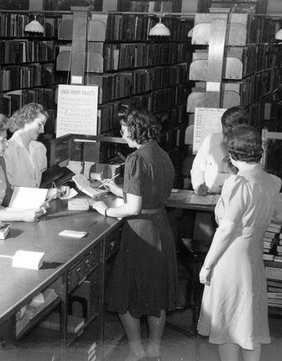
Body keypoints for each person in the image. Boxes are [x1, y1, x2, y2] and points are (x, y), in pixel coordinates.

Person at [197, 125, 282, 361]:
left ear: (232, 155)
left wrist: (207, 265)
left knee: (226, 324)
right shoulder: (269, 181)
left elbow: (226, 229)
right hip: (253, 258)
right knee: (248, 325)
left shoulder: (236, 183)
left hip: (230, 258)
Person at [92, 107, 177, 361]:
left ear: (136, 130)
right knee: (155, 293)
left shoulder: (135, 159)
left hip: (140, 231)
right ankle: (154, 350)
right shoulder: (162, 154)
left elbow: (133, 207)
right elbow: (147, 194)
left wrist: (105, 209)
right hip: (160, 226)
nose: (122, 133)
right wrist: (118, 189)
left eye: (124, 129)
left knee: (125, 293)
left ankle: (136, 350)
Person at [3, 102, 66, 199]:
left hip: (37, 205)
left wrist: (59, 189)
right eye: (39, 124)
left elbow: (43, 183)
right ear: (26, 120)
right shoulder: (7, 150)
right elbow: (8, 192)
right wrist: (44, 195)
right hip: (16, 208)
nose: (42, 131)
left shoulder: (40, 148)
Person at [191, 106, 250, 195]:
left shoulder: (250, 146)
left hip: (235, 197)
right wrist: (198, 185)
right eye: (224, 131)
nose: (226, 137)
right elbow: (198, 167)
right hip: (208, 194)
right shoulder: (210, 140)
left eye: (231, 132)